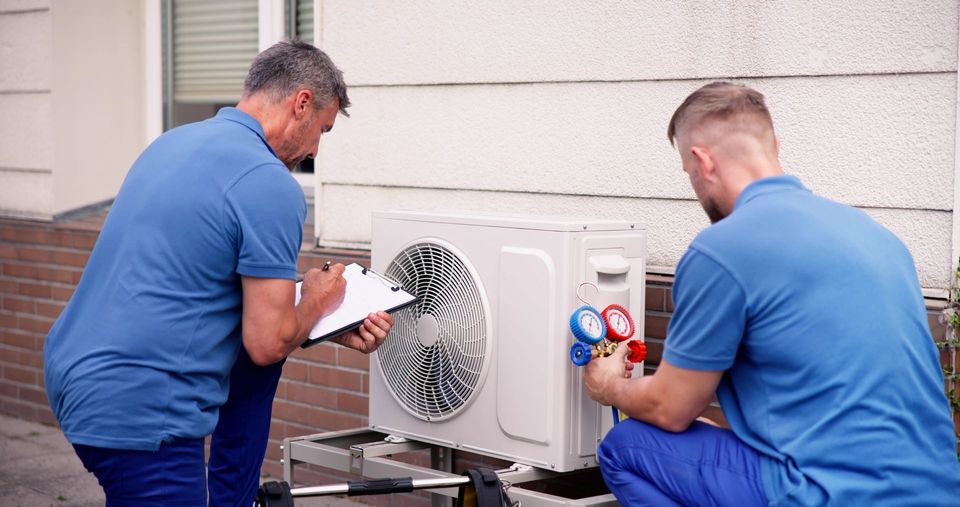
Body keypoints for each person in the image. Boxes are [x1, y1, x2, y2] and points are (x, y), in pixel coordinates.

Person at [43, 40, 393, 506]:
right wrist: (316, 299)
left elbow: (197, 280)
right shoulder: (268, 182)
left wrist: (323, 320)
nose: (313, 150)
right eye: (322, 131)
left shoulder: (173, 143)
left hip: (74, 372)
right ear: (302, 103)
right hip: (142, 404)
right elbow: (266, 342)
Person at [584, 82, 960, 506]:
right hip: (938, 492)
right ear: (774, 145)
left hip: (824, 494)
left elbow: (671, 410)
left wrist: (609, 386)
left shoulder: (722, 249)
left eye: (688, 174)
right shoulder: (879, 238)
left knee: (625, 448)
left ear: (702, 162)